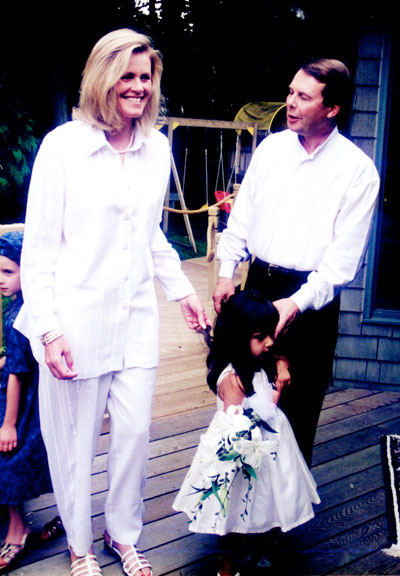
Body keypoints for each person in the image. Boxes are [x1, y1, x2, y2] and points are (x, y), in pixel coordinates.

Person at [15, 29, 209, 576]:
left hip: (136, 323)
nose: (139, 87)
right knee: (74, 446)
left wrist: (184, 293)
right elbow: (40, 251)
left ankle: (121, 535)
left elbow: (152, 238)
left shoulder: (156, 148)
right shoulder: (63, 148)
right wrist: (49, 332)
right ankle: (80, 546)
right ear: (102, 77)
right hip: (73, 326)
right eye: (128, 75)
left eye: (146, 77)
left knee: (133, 435)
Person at [213, 58, 380, 466]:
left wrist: (297, 303)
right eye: (291, 92)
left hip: (311, 304)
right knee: (238, 398)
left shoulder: (358, 172)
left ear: (332, 108)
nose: (290, 102)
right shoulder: (271, 149)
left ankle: (281, 522)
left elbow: (341, 263)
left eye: (303, 97)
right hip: (257, 287)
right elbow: (242, 216)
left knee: (298, 411)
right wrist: (224, 272)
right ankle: (235, 515)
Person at [173, 290, 320, 576]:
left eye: (270, 334)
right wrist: (276, 386)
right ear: (238, 337)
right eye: (261, 336)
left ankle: (260, 543)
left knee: (264, 501)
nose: (269, 342)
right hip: (241, 453)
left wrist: (281, 364)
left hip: (269, 444)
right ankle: (227, 564)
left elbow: (268, 405)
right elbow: (237, 425)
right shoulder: (232, 380)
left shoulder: (257, 361)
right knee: (235, 505)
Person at [0, 231, 53, 573]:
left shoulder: (14, 316)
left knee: (7, 458)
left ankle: (17, 530)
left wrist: (8, 424)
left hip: (20, 403)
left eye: (8, 272)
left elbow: (19, 373)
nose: (0, 280)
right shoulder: (32, 308)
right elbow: (20, 360)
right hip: (33, 393)